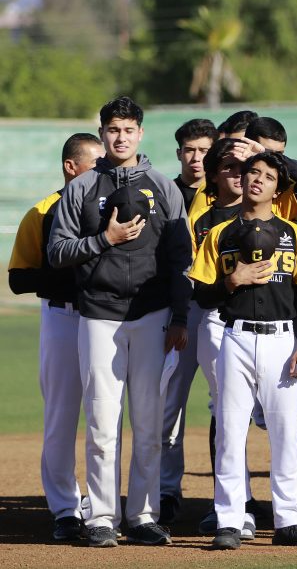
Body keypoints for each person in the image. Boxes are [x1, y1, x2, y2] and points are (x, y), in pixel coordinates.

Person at [47, 96, 192, 547]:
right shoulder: (82, 188)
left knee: (148, 422)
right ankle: (102, 517)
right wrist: (103, 239)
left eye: (128, 129)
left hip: (151, 317)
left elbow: (180, 260)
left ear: (140, 133)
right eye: (113, 129)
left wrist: (179, 317)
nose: (121, 136)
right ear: (104, 133)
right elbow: (57, 253)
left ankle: (143, 515)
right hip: (98, 316)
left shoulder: (163, 187)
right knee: (102, 423)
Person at [189, 152, 297, 549]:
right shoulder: (220, 233)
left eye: (267, 176)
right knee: (230, 431)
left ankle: (289, 521)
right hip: (235, 337)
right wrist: (233, 280)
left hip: (282, 340)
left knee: (284, 432)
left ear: (277, 189)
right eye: (252, 173)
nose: (257, 180)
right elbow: (202, 292)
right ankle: (229, 521)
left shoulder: (292, 234)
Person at [7, 133, 104, 541]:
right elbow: (17, 279)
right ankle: (65, 509)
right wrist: (70, 267)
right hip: (63, 318)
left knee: (106, 415)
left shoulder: (112, 207)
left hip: (107, 320)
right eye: (96, 162)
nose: (104, 169)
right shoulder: (43, 212)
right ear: (71, 167)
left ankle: (102, 509)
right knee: (62, 417)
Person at [160, 117, 221, 524]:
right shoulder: (166, 193)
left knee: (225, 406)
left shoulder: (226, 192)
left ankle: (230, 499)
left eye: (204, 150)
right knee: (168, 406)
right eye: (190, 150)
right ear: (179, 153)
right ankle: (166, 492)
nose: (196, 158)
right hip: (175, 312)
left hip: (217, 310)